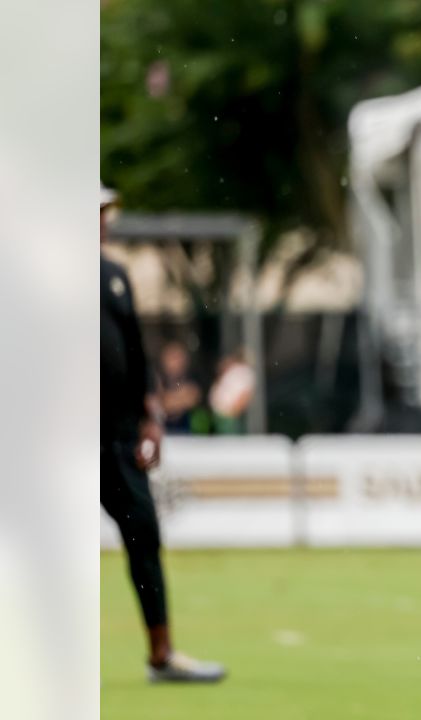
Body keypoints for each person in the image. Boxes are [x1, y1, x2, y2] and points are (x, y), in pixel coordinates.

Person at [100, 185, 226, 683]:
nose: (105, 220)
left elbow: (134, 355)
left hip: (116, 436)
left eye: (106, 210)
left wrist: (150, 416)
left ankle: (162, 653)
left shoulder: (113, 277)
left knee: (144, 535)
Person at [157, 341, 201, 434]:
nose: (176, 362)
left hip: (187, 437)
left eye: (179, 357)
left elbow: (192, 398)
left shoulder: (193, 380)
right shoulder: (157, 381)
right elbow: (161, 405)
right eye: (172, 357)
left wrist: (168, 401)